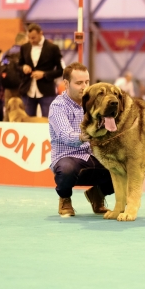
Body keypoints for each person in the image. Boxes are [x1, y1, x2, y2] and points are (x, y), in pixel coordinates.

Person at [49, 62, 113, 217]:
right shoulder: (58, 106)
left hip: (94, 155)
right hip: (67, 157)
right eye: (79, 83)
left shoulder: (94, 103)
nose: (85, 87)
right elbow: (65, 134)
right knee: (66, 170)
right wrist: (82, 137)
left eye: (87, 82)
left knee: (124, 167)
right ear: (66, 84)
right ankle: (65, 198)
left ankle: (97, 194)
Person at [18, 23, 65, 117]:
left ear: (41, 33)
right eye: (29, 37)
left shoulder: (53, 48)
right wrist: (23, 68)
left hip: (47, 92)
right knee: (26, 123)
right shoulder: (24, 47)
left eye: (34, 37)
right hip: (28, 91)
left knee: (48, 123)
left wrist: (44, 74)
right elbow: (18, 65)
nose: (31, 40)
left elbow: (61, 71)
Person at [0, 32, 28, 120]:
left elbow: (0, 68)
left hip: (8, 86)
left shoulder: (6, 53)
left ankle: (5, 129)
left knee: (8, 109)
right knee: (22, 109)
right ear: (23, 40)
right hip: (22, 86)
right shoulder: (25, 52)